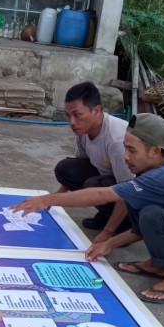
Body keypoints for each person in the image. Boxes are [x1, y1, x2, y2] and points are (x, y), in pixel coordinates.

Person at [11, 113, 164, 304]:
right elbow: (142, 228)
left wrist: (48, 199)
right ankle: (158, 265)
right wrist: (108, 244)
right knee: (135, 200)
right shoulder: (158, 168)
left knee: (151, 213)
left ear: (155, 151)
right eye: (125, 147)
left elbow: (103, 195)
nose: (125, 156)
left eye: (131, 150)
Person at [53, 82, 133, 243]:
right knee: (65, 169)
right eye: (68, 116)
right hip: (111, 180)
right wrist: (55, 199)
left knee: (93, 185)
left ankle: (124, 224)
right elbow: (81, 164)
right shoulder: (83, 131)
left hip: (136, 198)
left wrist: (108, 232)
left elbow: (129, 190)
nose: (72, 122)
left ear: (96, 111)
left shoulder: (117, 140)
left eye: (77, 115)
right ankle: (107, 214)